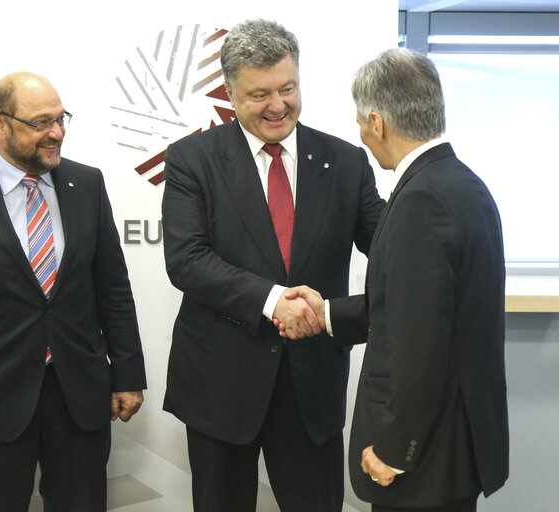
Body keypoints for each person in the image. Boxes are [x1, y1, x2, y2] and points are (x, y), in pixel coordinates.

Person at [161, 19, 386, 512]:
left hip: (312, 387)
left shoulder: (346, 161)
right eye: (260, 94)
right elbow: (186, 259)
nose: (279, 105)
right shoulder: (191, 160)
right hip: (221, 386)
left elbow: (390, 246)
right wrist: (271, 302)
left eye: (288, 88)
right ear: (230, 93)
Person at [0, 72, 147, 512]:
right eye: (41, 123)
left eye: (61, 119)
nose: (57, 133)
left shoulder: (86, 184)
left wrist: (127, 373)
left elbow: (113, 289)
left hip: (78, 396)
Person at [282, 48, 509, 511]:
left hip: (423, 457)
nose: (361, 134)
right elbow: (419, 307)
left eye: (361, 122)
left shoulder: (420, 201)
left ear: (378, 122)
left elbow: (420, 344)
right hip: (454, 445)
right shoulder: (462, 184)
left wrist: (394, 448)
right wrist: (327, 312)